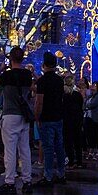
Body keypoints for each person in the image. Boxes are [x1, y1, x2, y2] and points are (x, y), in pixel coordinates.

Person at [0, 47, 34, 195]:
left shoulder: (7, 75)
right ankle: (27, 181)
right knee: (25, 149)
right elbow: (33, 87)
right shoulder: (27, 75)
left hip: (10, 113)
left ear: (10, 59)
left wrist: (1, 69)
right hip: (24, 114)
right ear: (23, 59)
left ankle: (10, 182)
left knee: (10, 150)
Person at [35, 51, 67, 186]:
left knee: (48, 147)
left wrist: (37, 116)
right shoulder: (60, 80)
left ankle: (48, 176)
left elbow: (40, 101)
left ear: (44, 65)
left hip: (46, 117)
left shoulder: (42, 81)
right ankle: (61, 174)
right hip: (58, 116)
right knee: (59, 146)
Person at [64, 78, 85, 170]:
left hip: (67, 120)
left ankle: (71, 161)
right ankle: (79, 161)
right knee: (77, 141)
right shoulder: (78, 95)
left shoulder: (64, 96)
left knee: (68, 141)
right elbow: (81, 106)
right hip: (77, 119)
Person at [84, 82, 98, 157]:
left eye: (94, 86)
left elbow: (93, 104)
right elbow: (85, 103)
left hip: (95, 118)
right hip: (88, 117)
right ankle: (91, 149)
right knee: (90, 135)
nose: (92, 87)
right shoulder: (90, 96)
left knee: (96, 134)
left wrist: (87, 106)